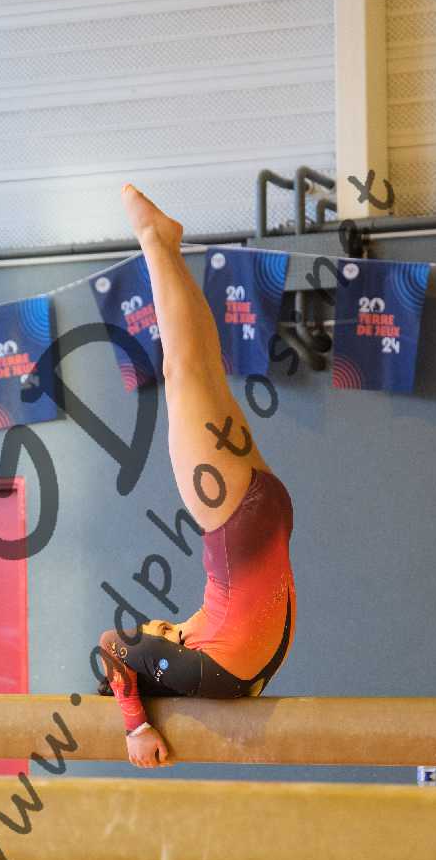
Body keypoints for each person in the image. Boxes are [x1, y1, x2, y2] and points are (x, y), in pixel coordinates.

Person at [96, 186, 296, 768]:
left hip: (264, 514)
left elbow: (141, 653)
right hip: (239, 523)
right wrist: (135, 726)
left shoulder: (228, 673)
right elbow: (113, 648)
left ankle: (163, 245)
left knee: (201, 370)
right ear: (171, 653)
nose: (159, 623)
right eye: (159, 629)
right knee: (184, 371)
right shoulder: (208, 664)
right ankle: (155, 242)